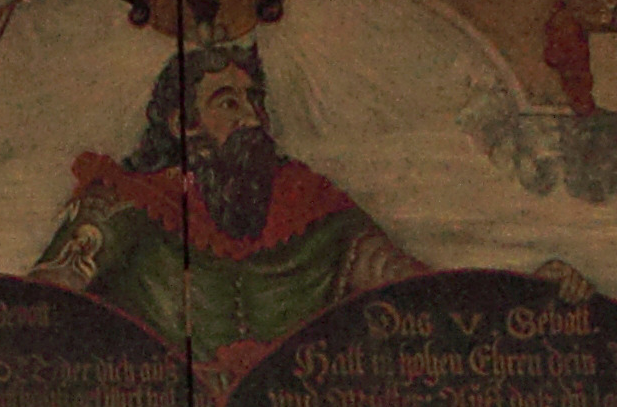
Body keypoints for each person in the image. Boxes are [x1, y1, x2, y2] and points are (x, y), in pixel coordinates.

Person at [31, 42, 424, 382]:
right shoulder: (124, 202)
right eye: (229, 103)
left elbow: (407, 287)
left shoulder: (310, 201)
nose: (253, 119)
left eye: (255, 101)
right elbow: (42, 307)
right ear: (184, 124)